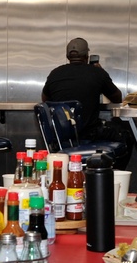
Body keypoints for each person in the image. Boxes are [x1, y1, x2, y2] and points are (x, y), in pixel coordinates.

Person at [41, 37, 132, 168]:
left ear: (68, 56)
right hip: (89, 134)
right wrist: (100, 72)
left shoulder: (55, 73)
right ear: (87, 55)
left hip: (61, 138)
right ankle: (110, 176)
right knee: (125, 135)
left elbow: (45, 100)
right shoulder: (97, 72)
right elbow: (117, 98)